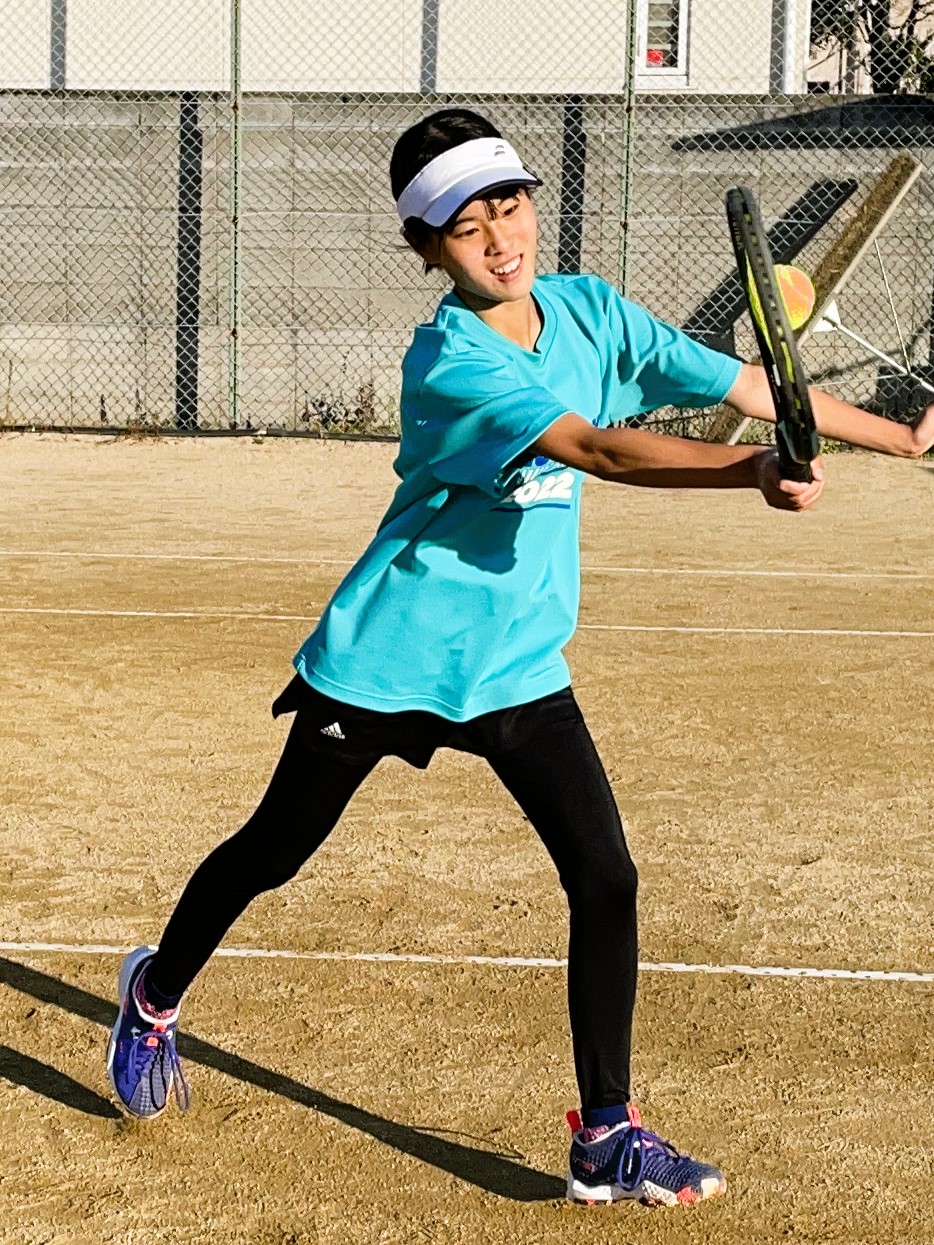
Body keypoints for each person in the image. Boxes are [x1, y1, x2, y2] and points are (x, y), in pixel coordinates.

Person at [107, 108, 933, 1208]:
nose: (500, 239)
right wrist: (749, 475)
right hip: (391, 659)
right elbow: (593, 448)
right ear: (427, 249)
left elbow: (743, 385)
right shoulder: (449, 363)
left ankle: (606, 1136)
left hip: (519, 665)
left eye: (510, 207)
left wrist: (902, 436)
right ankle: (154, 994)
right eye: (467, 227)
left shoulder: (590, 311)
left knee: (605, 875)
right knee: (274, 851)